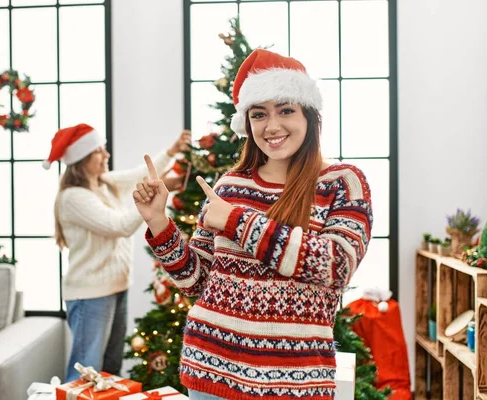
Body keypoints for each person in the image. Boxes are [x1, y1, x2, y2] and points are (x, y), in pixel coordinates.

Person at [133, 49, 374, 399]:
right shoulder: (229, 186)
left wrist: (236, 221)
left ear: (309, 116)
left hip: (295, 383)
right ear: (247, 123)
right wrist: (158, 221)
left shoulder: (343, 182)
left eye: (286, 110)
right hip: (211, 373)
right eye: (259, 114)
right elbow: (198, 283)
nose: (271, 126)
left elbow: (335, 264)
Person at [43, 123, 190, 382]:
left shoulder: (104, 184)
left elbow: (139, 174)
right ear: (81, 159)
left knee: (110, 369)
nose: (106, 155)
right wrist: (152, 199)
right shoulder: (73, 197)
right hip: (91, 295)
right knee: (85, 373)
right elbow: (119, 226)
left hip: (115, 287)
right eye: (99, 151)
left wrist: (171, 151)